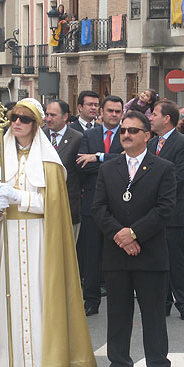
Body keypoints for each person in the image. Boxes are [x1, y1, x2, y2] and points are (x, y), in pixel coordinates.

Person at [0, 98, 96, 367]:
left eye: (25, 119)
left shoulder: (48, 160)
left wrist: (21, 197)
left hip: (39, 238)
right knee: (5, 299)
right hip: (5, 237)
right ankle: (5, 361)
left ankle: (45, 360)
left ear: (36, 124)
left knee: (39, 296)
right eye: (14, 118)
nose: (17, 123)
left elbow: (54, 205)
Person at [91, 111, 177, 367]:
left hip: (149, 252)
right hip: (116, 252)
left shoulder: (162, 167)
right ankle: (118, 366)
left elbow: (165, 209)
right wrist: (120, 235)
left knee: (152, 313)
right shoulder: (108, 168)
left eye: (132, 131)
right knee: (117, 312)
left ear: (146, 136)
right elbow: (99, 208)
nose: (126, 135)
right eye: (123, 131)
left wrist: (134, 233)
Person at [76, 95, 124, 316]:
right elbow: (82, 166)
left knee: (116, 255)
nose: (114, 114)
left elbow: (126, 163)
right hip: (92, 204)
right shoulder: (89, 135)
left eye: (117, 111)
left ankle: (118, 300)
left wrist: (97, 157)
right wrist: (110, 159)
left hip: (119, 205)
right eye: (110, 111)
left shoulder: (126, 135)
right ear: (101, 113)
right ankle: (91, 300)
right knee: (91, 255)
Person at [148, 100, 184, 320]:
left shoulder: (183, 143)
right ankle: (162, 301)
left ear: (167, 118)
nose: (150, 118)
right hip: (150, 212)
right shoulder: (150, 143)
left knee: (176, 259)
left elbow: (178, 177)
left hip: (172, 210)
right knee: (156, 259)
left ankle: (183, 302)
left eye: (154, 114)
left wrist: (149, 189)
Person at [44, 100, 83, 241]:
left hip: (68, 205)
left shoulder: (78, 138)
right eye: (47, 114)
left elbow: (80, 173)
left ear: (65, 116)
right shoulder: (39, 137)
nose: (48, 119)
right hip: (43, 206)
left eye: (53, 115)